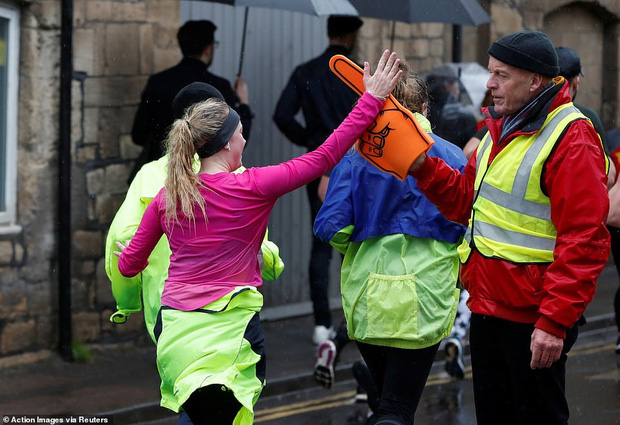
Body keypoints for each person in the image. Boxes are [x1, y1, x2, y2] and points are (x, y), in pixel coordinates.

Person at [113, 50, 402, 425]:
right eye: (242, 134)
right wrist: (372, 99)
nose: (245, 141)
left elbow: (129, 264)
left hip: (177, 332)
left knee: (196, 413)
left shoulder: (168, 197)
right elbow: (326, 155)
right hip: (232, 333)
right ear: (228, 143)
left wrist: (126, 253)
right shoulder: (254, 186)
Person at [407, 30, 609, 425]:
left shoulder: (571, 136)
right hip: (489, 308)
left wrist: (553, 323)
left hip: (533, 316)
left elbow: (584, 239)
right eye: (490, 72)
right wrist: (422, 167)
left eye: (502, 75)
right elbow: (469, 201)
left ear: (535, 80)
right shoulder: (500, 128)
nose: (490, 84)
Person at [106, 82, 284, 425]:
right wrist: (271, 263)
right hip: (224, 315)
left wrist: (127, 304)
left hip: (168, 316)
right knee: (221, 407)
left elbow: (121, 248)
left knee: (194, 405)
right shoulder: (237, 175)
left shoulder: (149, 176)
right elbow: (260, 250)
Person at [314, 63, 467, 425]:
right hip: (426, 299)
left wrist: (361, 245)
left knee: (389, 403)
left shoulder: (356, 157)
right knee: (397, 410)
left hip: (368, 298)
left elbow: (329, 226)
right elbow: (466, 227)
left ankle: (371, 383)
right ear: (425, 110)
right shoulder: (453, 156)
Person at [273, 15, 364, 345]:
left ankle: (321, 325)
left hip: (318, 165)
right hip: (356, 163)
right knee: (354, 244)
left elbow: (281, 115)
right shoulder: (358, 75)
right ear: (352, 36)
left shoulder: (306, 72)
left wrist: (311, 140)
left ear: (329, 33)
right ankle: (353, 318)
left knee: (321, 243)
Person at [129, 20, 253, 184]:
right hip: (202, 180)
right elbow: (237, 137)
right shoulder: (219, 87)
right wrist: (243, 103)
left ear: (182, 46)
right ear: (208, 49)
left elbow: (138, 135)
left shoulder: (158, 82)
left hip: (157, 177)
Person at [425, 64, 478, 149]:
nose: (458, 90)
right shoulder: (463, 115)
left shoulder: (424, 108)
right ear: (448, 85)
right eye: (457, 85)